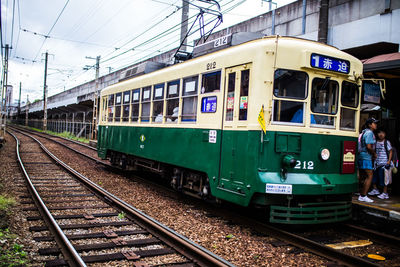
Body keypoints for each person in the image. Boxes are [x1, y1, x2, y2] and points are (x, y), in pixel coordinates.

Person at [357, 117, 378, 202]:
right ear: (370, 125)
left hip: (361, 155)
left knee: (362, 176)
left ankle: (360, 193)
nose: (376, 125)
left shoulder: (364, 132)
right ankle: (363, 195)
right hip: (366, 156)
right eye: (374, 123)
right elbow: (369, 146)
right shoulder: (369, 133)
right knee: (370, 175)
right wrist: (374, 154)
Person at [368, 128, 393, 199]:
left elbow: (391, 151)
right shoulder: (375, 142)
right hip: (377, 163)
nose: (381, 134)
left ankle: (385, 193)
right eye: (379, 133)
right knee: (374, 177)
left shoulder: (386, 142)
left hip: (384, 163)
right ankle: (375, 189)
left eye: (383, 133)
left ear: (385, 134)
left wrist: (388, 161)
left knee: (384, 179)